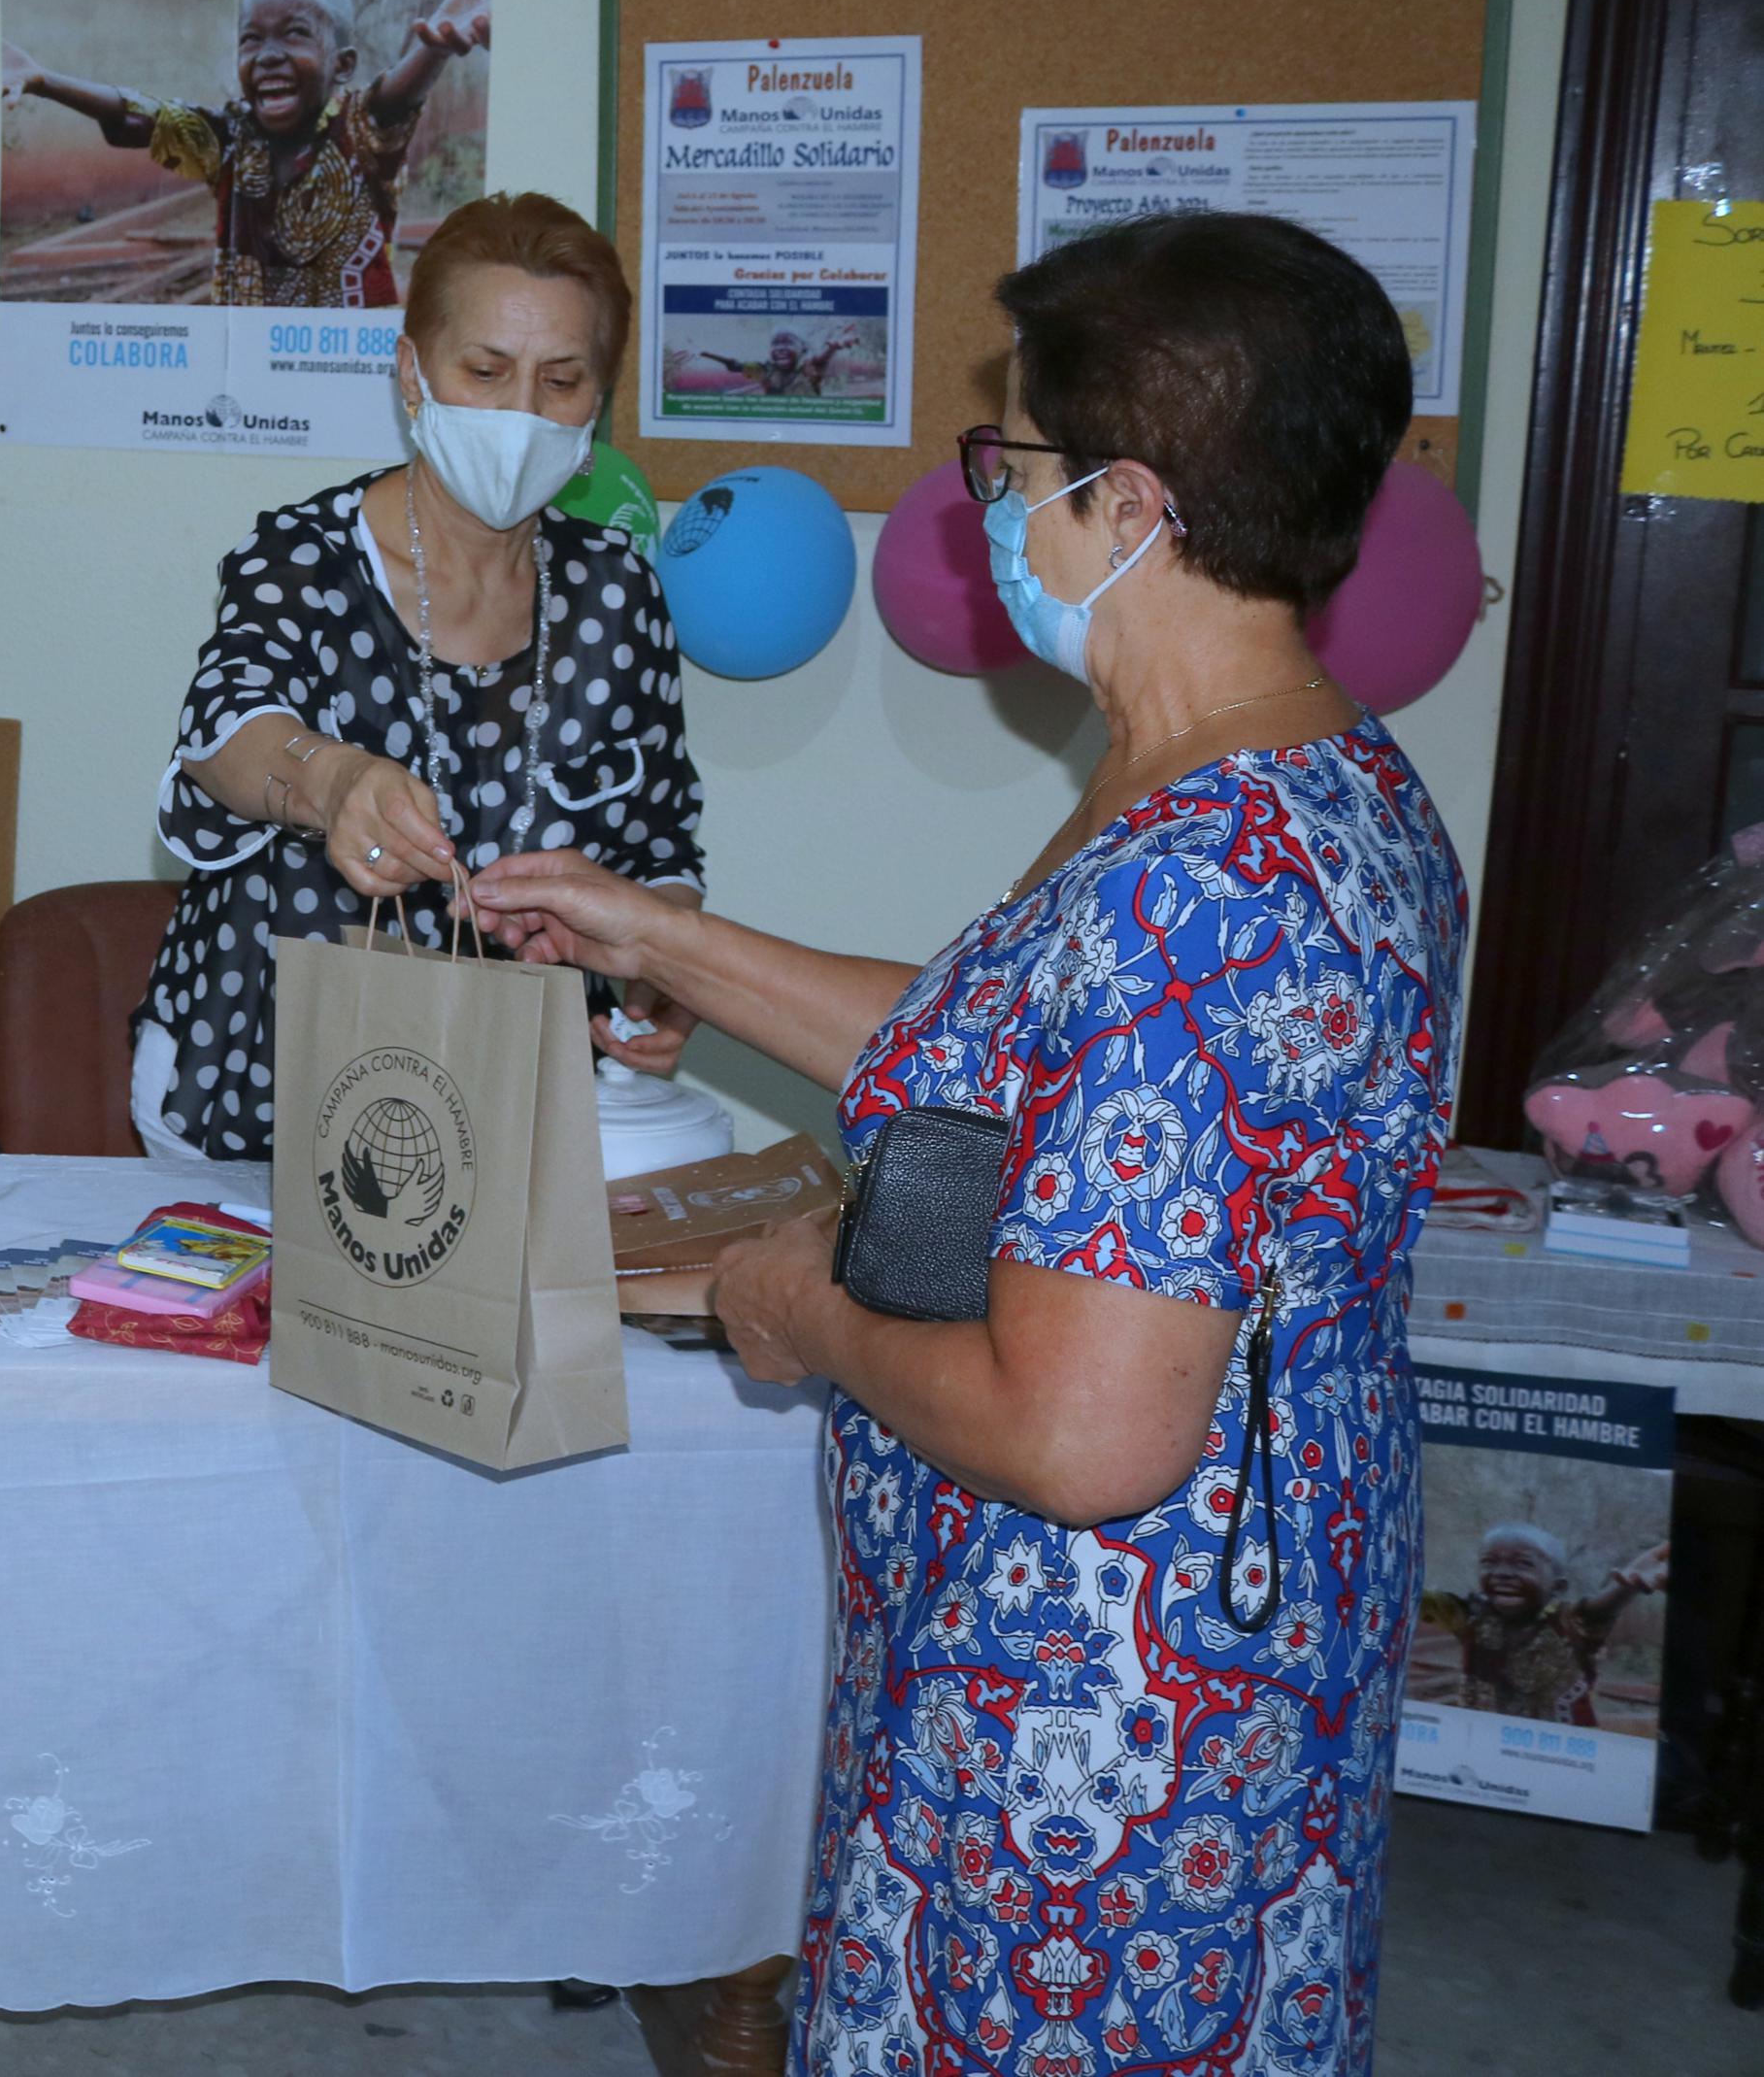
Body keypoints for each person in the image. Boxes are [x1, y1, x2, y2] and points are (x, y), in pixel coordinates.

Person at [473, 211, 1465, 2077]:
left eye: (1008, 464)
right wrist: (656, 933)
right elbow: (1026, 1061)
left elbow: (1082, 1429)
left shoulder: (1200, 888)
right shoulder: (1312, 778)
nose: (983, 507)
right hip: (1251, 1627)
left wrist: (797, 1306)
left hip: (1097, 1721)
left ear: (1133, 509)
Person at [131, 191, 707, 1163]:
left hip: (508, 1113)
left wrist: (668, 963)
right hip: (259, 1090)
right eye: (483, 371)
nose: (519, 414)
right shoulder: (302, 556)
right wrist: (333, 783)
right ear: (411, 373)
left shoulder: (617, 596)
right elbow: (224, 735)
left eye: (560, 380)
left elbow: (661, 848)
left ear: (597, 398)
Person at [2, 0, 491, 306]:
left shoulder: (360, 130)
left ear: (342, 65)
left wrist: (436, 51)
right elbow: (137, 117)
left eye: (295, 33)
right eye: (251, 39)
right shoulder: (230, 137)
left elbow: (395, 98)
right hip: (250, 371)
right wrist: (44, 81)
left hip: (344, 368)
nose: (268, 54)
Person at [1424, 1527, 1670, 1723]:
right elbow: (1412, 1597)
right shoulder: (1471, 1616)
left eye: (1524, 1564)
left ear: (1558, 1587)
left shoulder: (1569, 1625)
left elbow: (1599, 1610)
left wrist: (1627, 1586)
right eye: (1489, 1562)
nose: (1502, 1573)